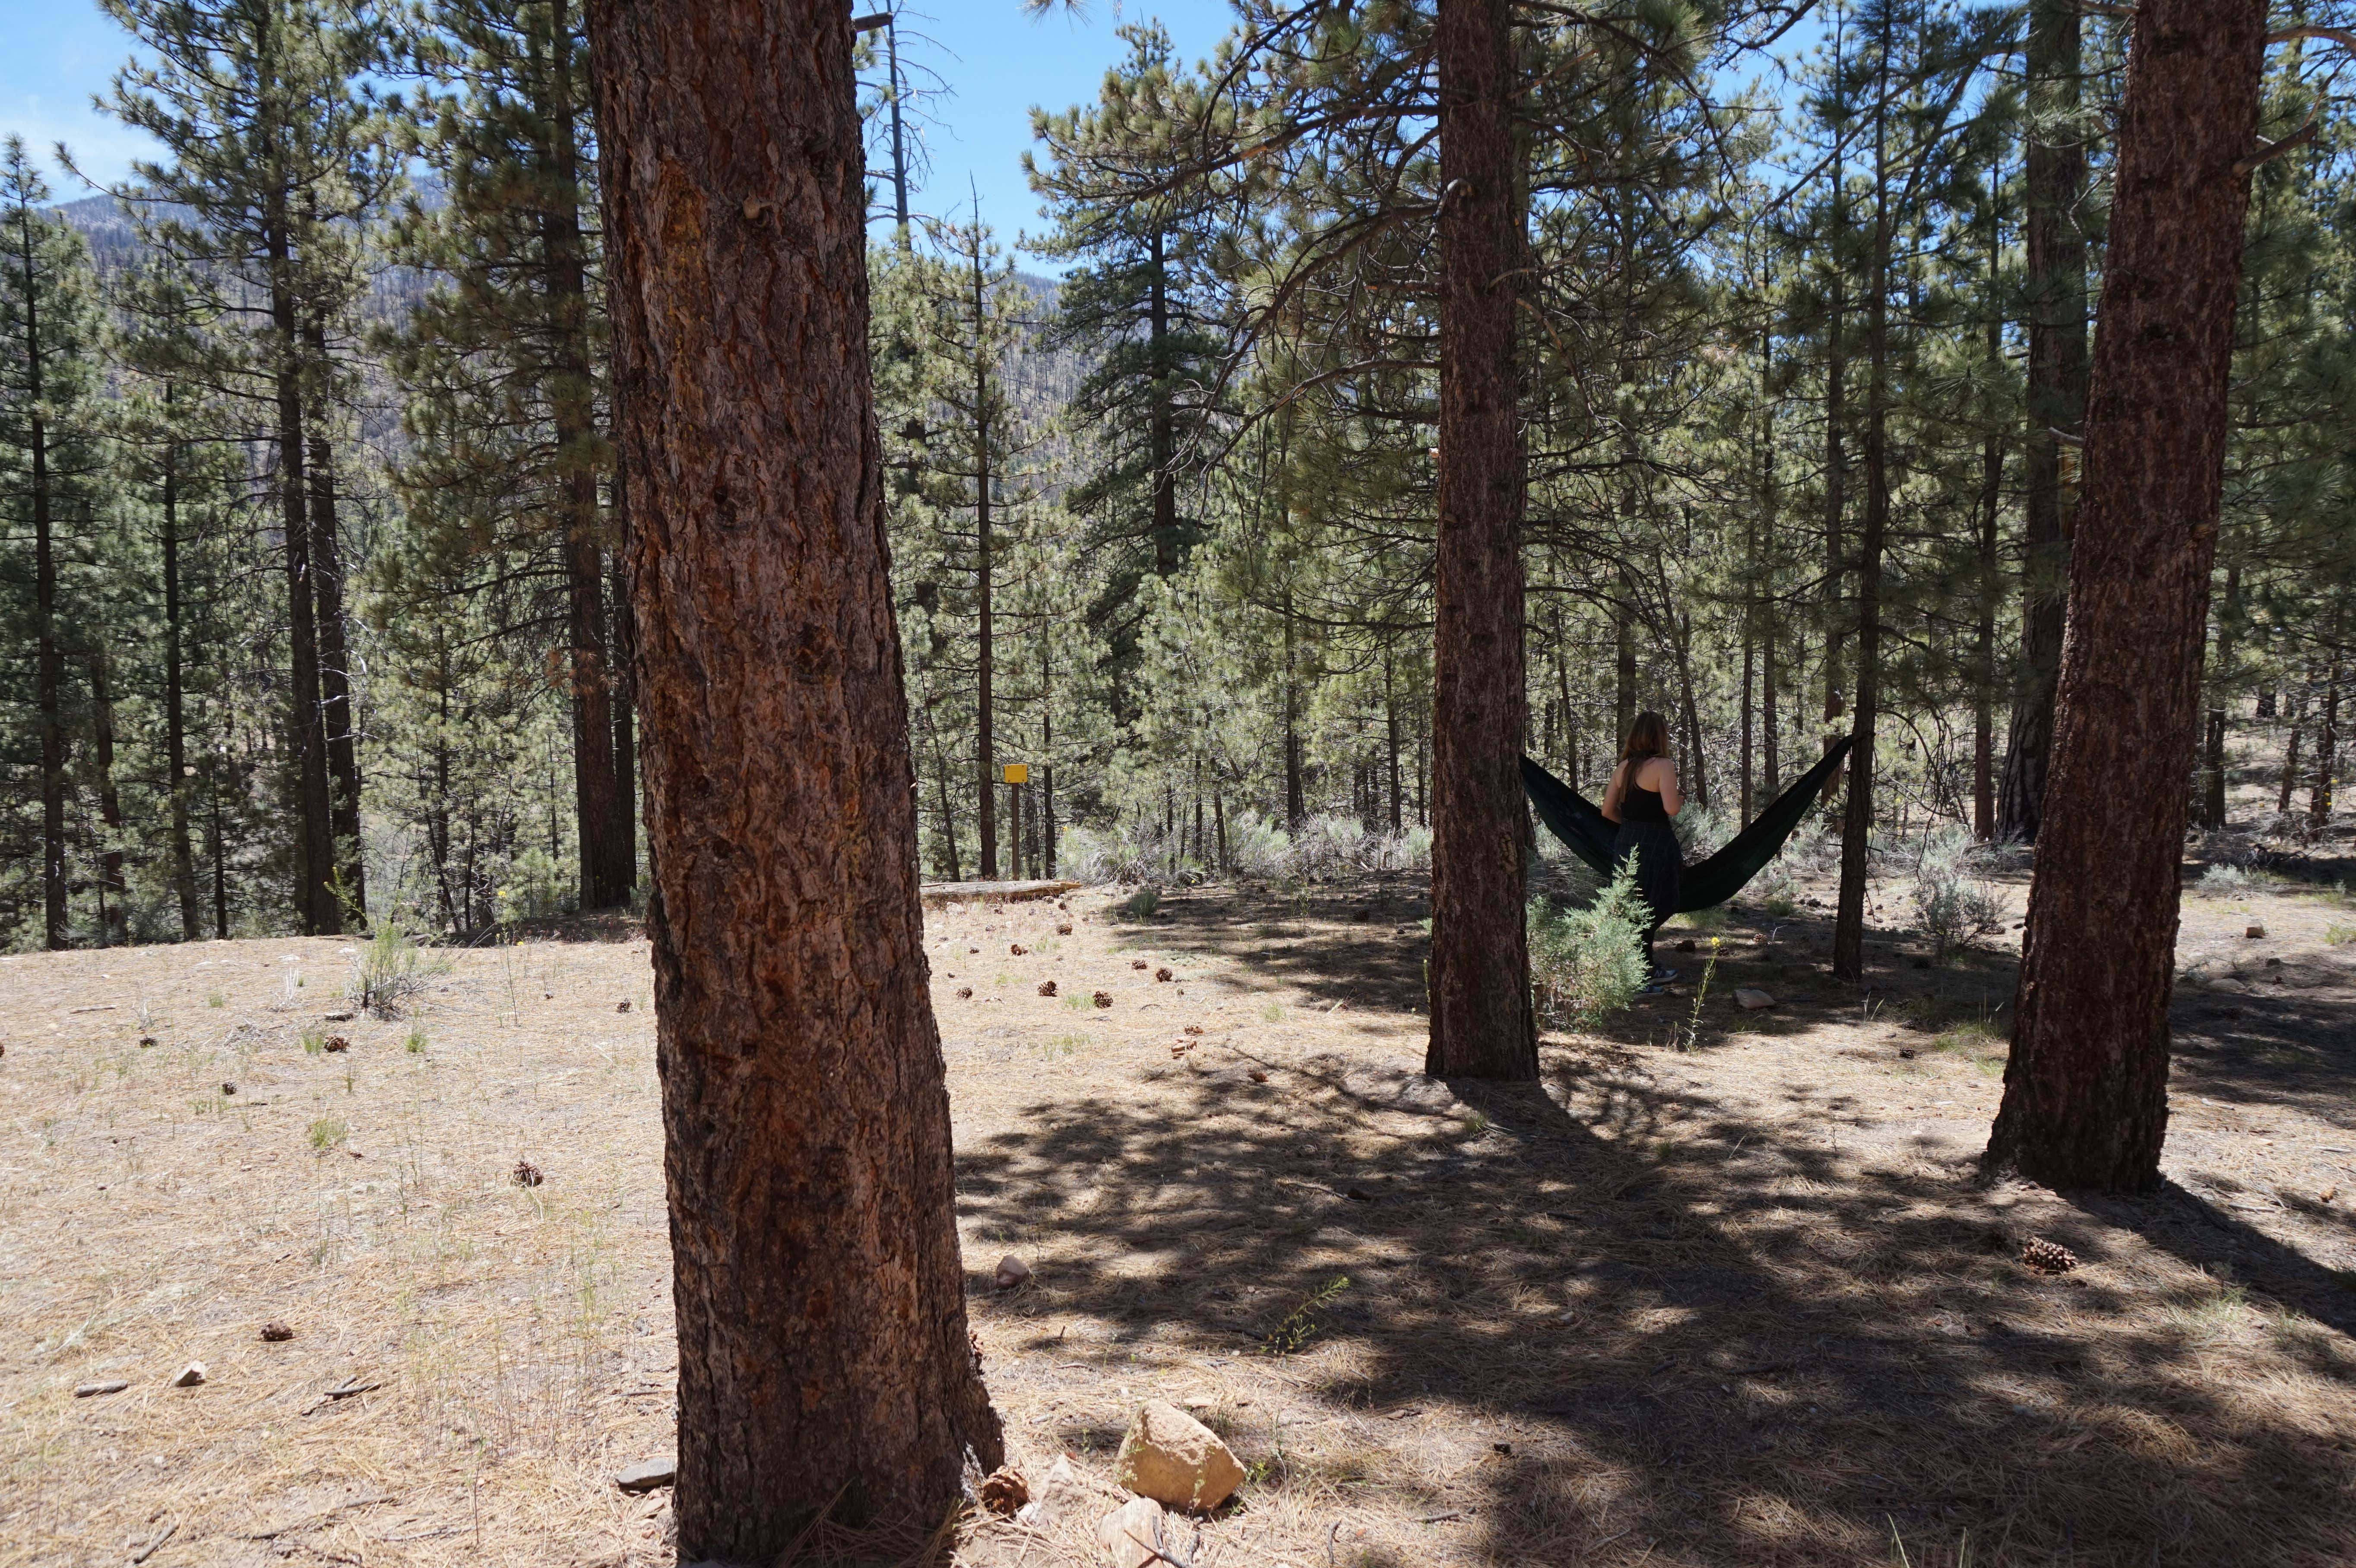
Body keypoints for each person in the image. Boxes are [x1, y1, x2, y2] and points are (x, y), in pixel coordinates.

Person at [1598, 710, 1683, 990]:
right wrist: (1680, 799)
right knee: (1659, 901)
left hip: (1626, 841)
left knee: (1633, 906)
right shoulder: (1663, 766)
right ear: (1660, 737)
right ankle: (1641, 973)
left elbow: (1607, 812)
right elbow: (1671, 809)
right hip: (1655, 843)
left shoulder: (1623, 768)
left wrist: (1633, 825)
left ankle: (1641, 969)